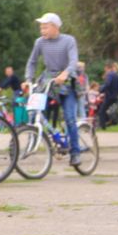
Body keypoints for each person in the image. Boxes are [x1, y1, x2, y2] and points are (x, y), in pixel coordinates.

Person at [22, 13, 81, 166]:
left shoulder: (69, 41)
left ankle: (75, 153)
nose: (42, 30)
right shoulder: (39, 42)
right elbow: (32, 62)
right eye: (41, 27)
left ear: (55, 27)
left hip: (67, 82)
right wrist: (28, 79)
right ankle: (50, 138)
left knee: (69, 118)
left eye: (45, 27)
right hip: (49, 82)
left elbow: (74, 61)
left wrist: (66, 73)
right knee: (36, 112)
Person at [97, 61, 118, 130]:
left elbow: (108, 84)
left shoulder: (110, 75)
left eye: (105, 68)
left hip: (110, 96)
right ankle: (109, 121)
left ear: (107, 68)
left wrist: (101, 90)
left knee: (101, 111)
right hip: (115, 95)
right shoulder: (116, 75)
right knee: (105, 109)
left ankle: (103, 126)